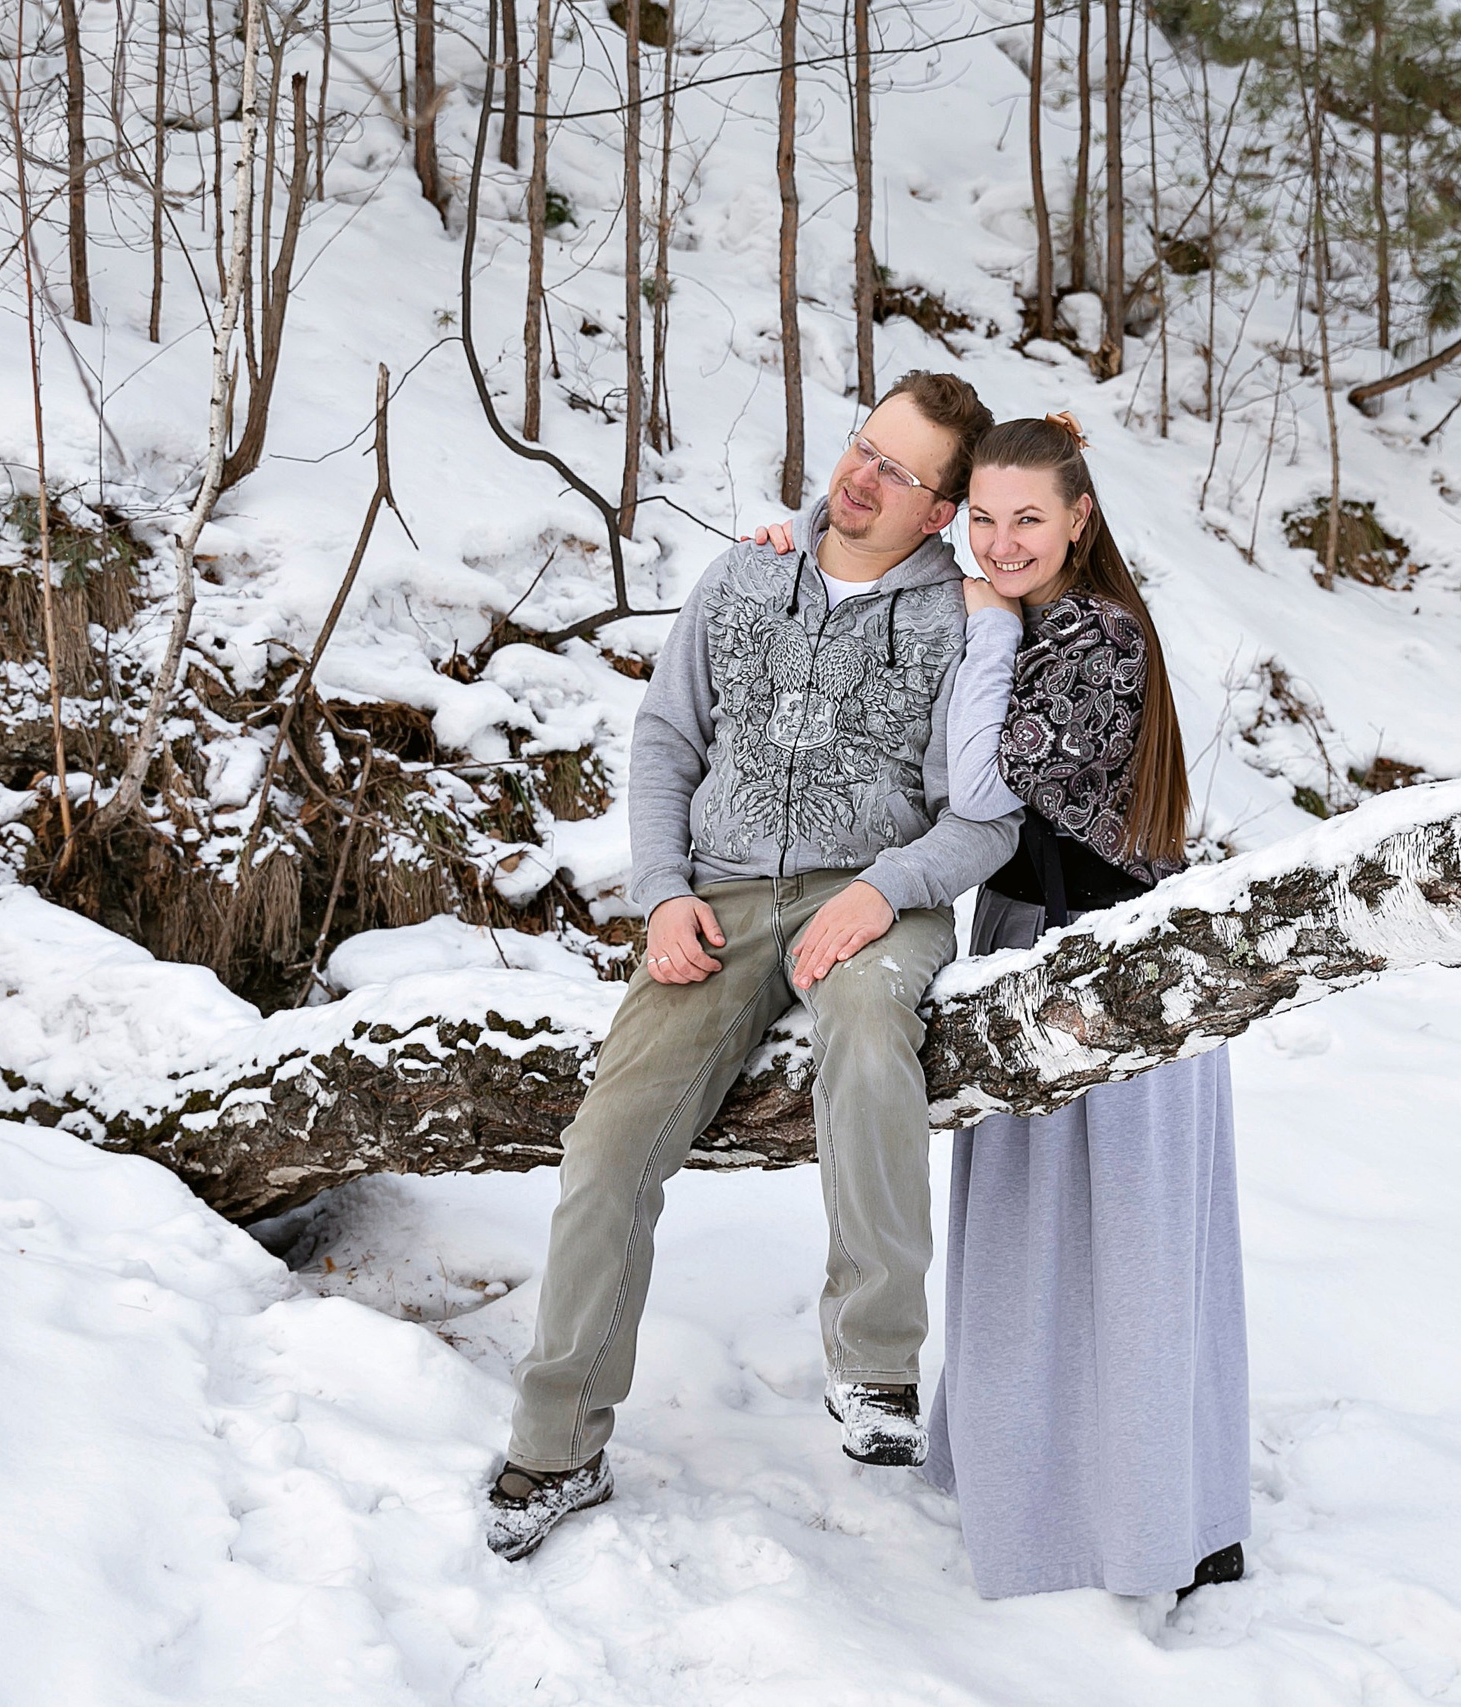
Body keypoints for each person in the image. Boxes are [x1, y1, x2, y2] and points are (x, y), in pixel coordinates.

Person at [485, 372, 1020, 1562]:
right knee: (609, 1142)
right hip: (718, 894)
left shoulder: (967, 621)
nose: (860, 477)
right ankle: (558, 1439)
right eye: (862, 445)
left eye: (899, 471)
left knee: (872, 1031)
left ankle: (875, 1368)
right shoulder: (741, 577)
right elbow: (665, 741)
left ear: (941, 510)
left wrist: (885, 891)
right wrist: (663, 896)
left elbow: (983, 821)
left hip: (877, 893)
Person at [925, 412, 1251, 1612]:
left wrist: (990, 625)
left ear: (1079, 518)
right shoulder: (1033, 615)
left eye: (1027, 517)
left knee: (1125, 1245)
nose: (1001, 541)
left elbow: (986, 780)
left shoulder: (1097, 635)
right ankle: (1041, 1482)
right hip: (1029, 941)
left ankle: (1151, 1518)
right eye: (983, 516)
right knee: (1037, 1238)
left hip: (1108, 966)